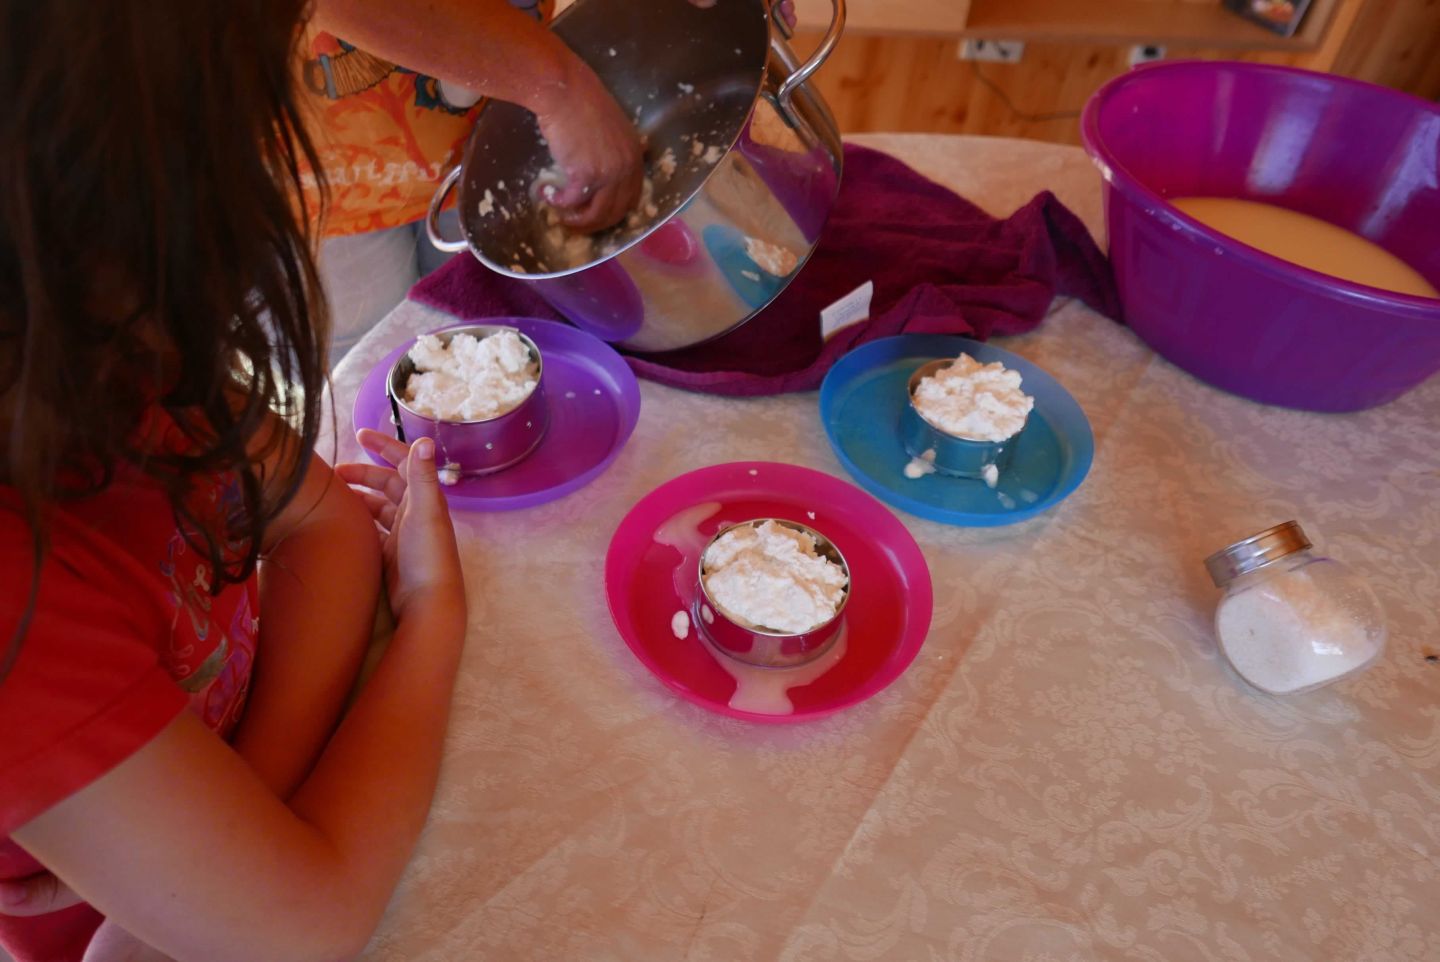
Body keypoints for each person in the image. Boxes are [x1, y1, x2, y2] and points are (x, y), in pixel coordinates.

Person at [0, 2, 467, 960]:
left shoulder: (112, 347)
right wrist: (431, 619)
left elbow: (324, 526)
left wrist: (255, 800)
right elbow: (307, 925)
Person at [302, 0, 647, 363]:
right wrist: (556, 88)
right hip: (321, 172)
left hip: (487, 128)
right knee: (365, 357)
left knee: (485, 340)